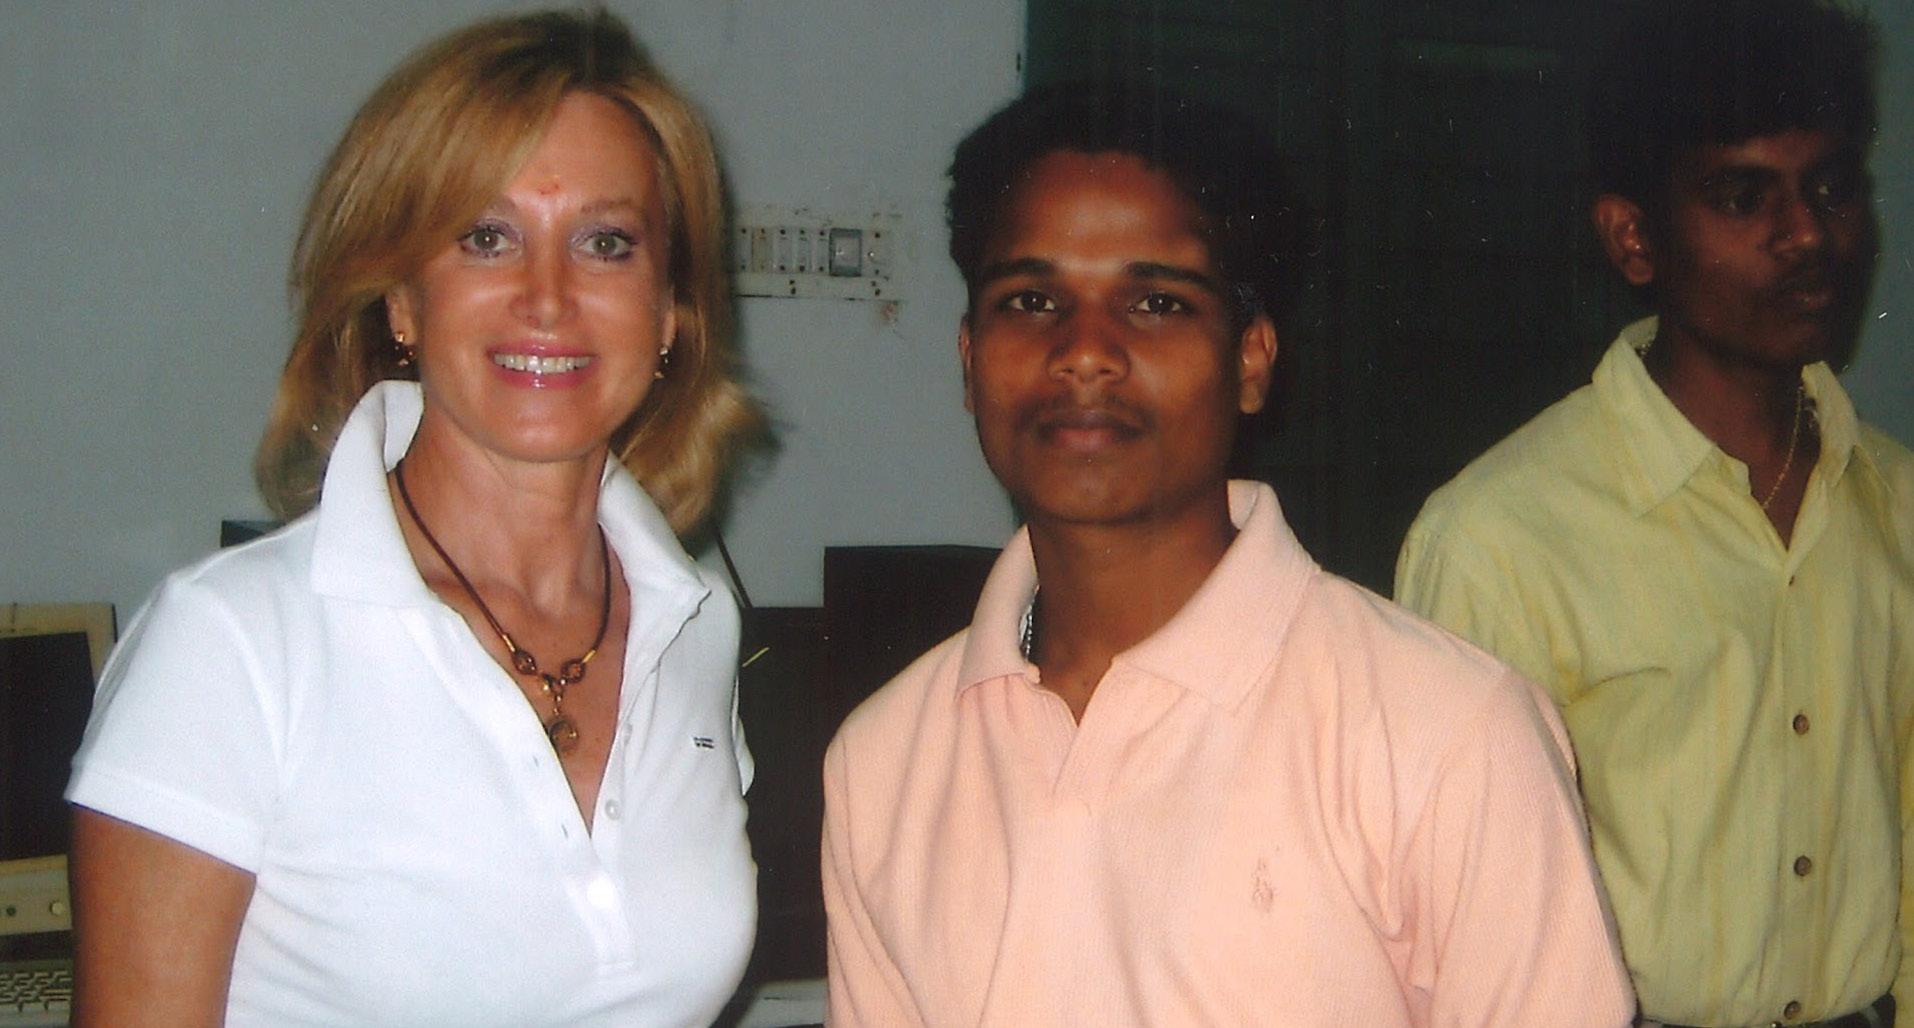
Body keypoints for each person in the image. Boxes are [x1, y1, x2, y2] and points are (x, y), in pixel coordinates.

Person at [821, 81, 1633, 1026]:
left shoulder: (1447, 734)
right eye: (1032, 300)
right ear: (969, 360)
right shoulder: (884, 764)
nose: (1085, 352)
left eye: (1155, 303)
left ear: (1250, 359)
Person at [65, 10, 761, 1026]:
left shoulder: (695, 624)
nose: (547, 298)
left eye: (606, 243)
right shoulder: (230, 643)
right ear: (400, 299)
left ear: (668, 314)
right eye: (487, 237)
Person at [1395, 2, 1914, 1025]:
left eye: (1829, 187)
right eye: (1743, 196)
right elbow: (1452, 933)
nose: (1807, 234)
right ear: (1633, 237)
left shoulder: (1897, 504)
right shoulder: (1500, 540)